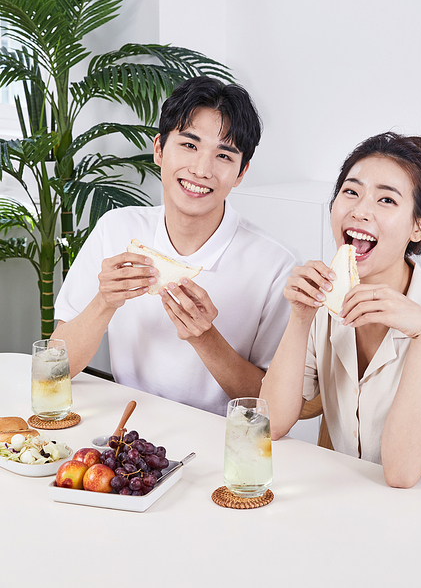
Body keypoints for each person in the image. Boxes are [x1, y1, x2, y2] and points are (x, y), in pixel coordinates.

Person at [260, 132, 421, 498]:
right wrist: (299, 316)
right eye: (351, 191)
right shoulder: (326, 301)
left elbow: (403, 473)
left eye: (386, 199)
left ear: (420, 225)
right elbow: (271, 424)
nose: (360, 210)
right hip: (367, 502)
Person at [53, 76, 296, 416]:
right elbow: (57, 368)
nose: (201, 170)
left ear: (241, 173)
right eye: (189, 145)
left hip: (220, 442)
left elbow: (272, 406)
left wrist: (204, 337)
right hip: (128, 433)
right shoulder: (117, 228)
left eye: (224, 155)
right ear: (159, 149)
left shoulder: (275, 265)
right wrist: (104, 302)